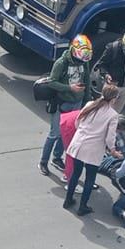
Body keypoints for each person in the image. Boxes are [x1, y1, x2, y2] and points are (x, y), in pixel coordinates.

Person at [39, 34, 96, 176]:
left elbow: (87, 80)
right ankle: (43, 162)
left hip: (76, 103)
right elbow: (51, 82)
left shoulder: (84, 62)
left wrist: (87, 101)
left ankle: (57, 158)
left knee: (66, 134)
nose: (81, 62)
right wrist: (70, 88)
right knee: (54, 133)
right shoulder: (61, 63)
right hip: (61, 103)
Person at [63, 83, 124, 216]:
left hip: (79, 143)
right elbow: (110, 137)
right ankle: (83, 206)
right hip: (93, 149)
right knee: (90, 178)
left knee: (75, 174)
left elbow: (78, 121)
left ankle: (68, 200)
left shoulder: (90, 104)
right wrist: (113, 150)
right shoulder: (113, 115)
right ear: (114, 99)